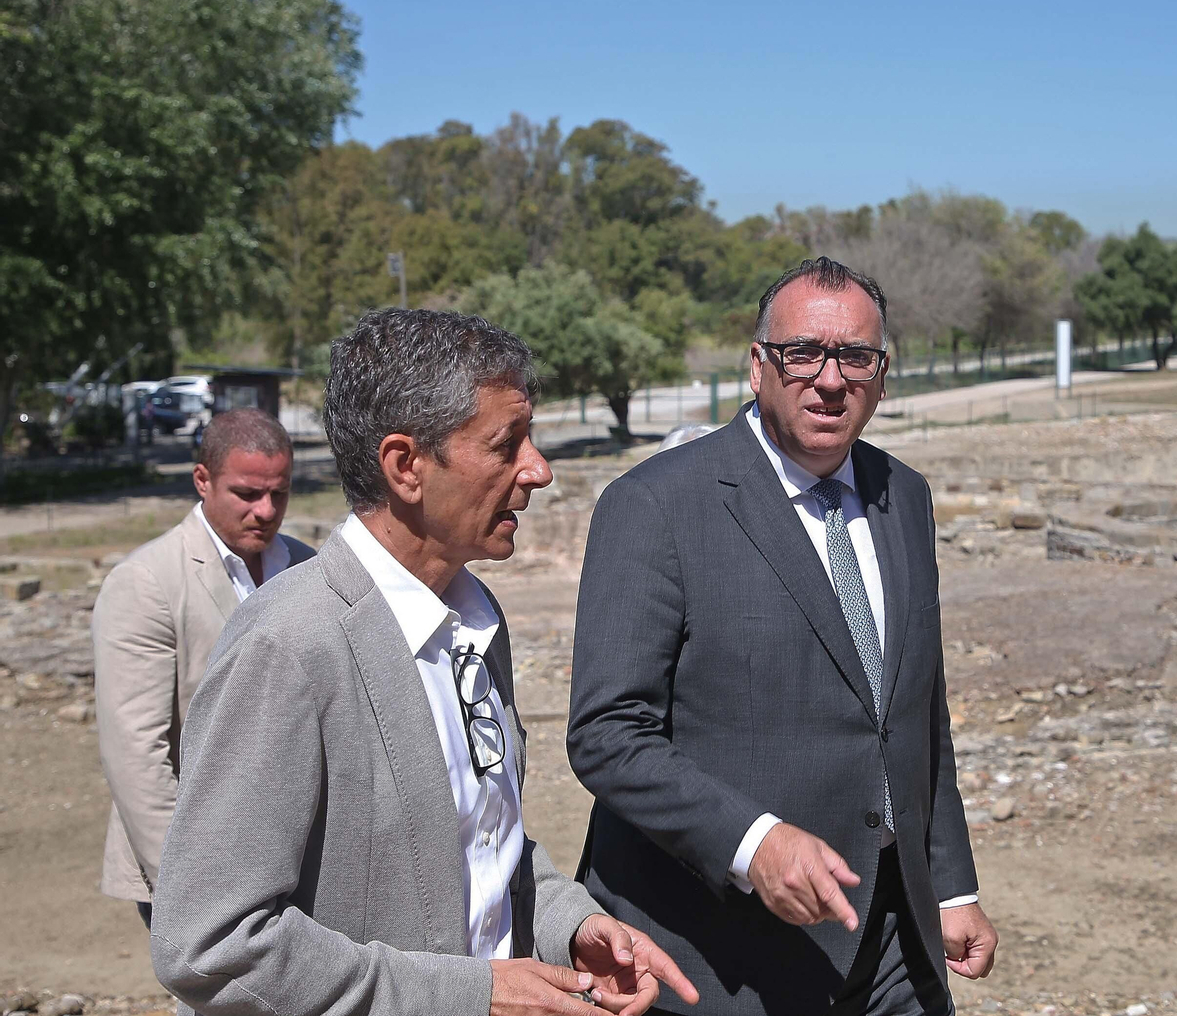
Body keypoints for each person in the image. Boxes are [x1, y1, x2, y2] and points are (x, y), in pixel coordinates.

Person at [149, 309, 698, 1016]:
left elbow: (476, 842)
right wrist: (469, 994)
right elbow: (209, 945)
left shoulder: (476, 621)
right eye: (506, 444)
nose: (539, 469)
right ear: (406, 465)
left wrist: (570, 924)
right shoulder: (289, 643)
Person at [568, 257, 998, 1016]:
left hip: (894, 945)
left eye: (855, 357)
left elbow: (916, 712)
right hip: (721, 961)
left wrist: (951, 883)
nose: (830, 379)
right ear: (759, 363)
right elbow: (607, 733)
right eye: (804, 352)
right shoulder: (656, 506)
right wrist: (753, 841)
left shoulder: (905, 495)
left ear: (884, 373)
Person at [93, 407, 314, 928]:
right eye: (246, 493)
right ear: (202, 481)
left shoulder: (308, 567)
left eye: (278, 494)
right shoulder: (147, 582)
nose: (264, 510)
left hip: (295, 852)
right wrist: (186, 885)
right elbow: (136, 752)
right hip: (192, 857)